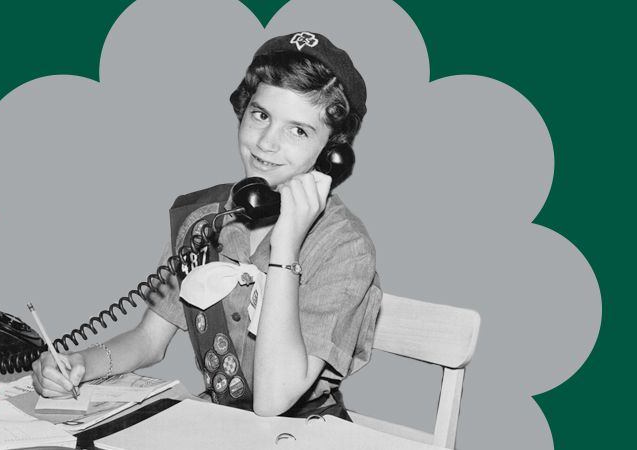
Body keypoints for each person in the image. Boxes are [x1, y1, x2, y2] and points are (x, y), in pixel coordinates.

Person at [31, 31, 380, 419]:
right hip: (219, 422)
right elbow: (150, 339)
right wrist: (81, 363)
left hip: (305, 431)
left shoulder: (344, 248)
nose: (266, 143)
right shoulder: (204, 219)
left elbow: (272, 400)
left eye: (298, 130)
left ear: (332, 154)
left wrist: (286, 247)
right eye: (260, 115)